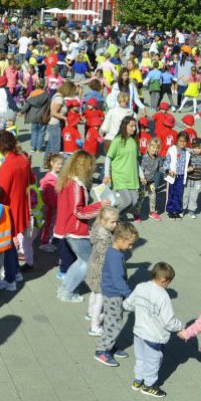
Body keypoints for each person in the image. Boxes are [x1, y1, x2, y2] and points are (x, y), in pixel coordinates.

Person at [122, 262, 183, 399]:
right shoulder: (163, 296)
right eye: (169, 282)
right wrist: (179, 327)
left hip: (138, 333)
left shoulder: (140, 287)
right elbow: (168, 321)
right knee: (153, 361)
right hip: (154, 336)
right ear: (163, 280)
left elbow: (128, 305)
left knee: (140, 358)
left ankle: (138, 381)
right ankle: (149, 385)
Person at [54, 151, 107, 303]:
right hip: (76, 230)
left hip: (67, 229)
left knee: (81, 261)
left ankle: (64, 288)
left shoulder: (67, 180)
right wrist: (99, 206)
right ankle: (68, 291)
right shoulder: (77, 185)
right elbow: (79, 211)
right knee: (88, 262)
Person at [93, 222, 138, 367]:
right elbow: (118, 279)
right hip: (114, 295)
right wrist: (129, 294)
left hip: (111, 292)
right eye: (130, 244)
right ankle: (102, 351)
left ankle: (110, 345)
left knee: (112, 321)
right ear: (119, 239)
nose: (131, 247)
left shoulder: (113, 252)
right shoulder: (116, 257)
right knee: (114, 324)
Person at [0, 129, 34, 282]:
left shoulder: (6, 166)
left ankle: (12, 275)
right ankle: (16, 271)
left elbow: (2, 194)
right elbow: (31, 178)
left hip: (10, 210)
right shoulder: (23, 159)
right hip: (22, 206)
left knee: (9, 245)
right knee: (14, 241)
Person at [84, 206, 119, 337]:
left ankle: (90, 312)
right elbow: (106, 257)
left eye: (117, 221)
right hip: (101, 270)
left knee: (94, 292)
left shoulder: (97, 228)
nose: (116, 225)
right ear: (104, 221)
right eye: (113, 222)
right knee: (101, 299)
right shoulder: (105, 239)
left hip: (93, 266)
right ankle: (95, 326)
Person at [103, 116, 140, 216]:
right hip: (119, 176)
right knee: (127, 201)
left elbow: (136, 160)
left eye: (135, 126)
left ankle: (116, 216)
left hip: (131, 177)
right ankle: (111, 216)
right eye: (131, 126)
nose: (134, 128)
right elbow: (108, 158)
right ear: (125, 126)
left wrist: (141, 175)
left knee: (134, 201)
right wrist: (107, 175)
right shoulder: (117, 140)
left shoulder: (133, 142)